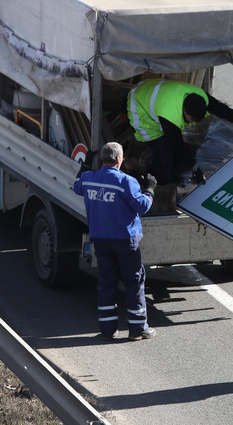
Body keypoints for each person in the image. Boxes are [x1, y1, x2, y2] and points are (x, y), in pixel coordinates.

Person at [73, 142, 159, 341]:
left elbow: (77, 186)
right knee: (134, 281)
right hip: (125, 240)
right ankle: (138, 329)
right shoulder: (126, 182)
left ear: (102, 159)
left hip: (101, 240)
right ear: (119, 159)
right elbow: (142, 206)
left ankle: (108, 329)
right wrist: (150, 189)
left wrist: (85, 165)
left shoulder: (88, 179)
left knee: (106, 282)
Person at [127, 78, 233, 186]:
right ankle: (159, 188)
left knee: (183, 148)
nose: (193, 123)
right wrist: (195, 170)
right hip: (139, 104)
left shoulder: (202, 98)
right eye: (191, 119)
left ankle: (172, 173)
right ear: (184, 110)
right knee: (164, 152)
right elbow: (177, 145)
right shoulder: (169, 115)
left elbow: (226, 112)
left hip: (154, 90)